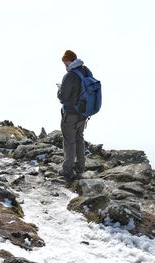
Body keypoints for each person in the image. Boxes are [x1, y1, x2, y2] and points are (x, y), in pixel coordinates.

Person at [57, 50, 91, 180]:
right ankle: (80, 167)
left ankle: (67, 170)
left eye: (65, 63)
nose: (64, 65)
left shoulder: (70, 76)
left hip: (70, 114)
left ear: (68, 61)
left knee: (69, 142)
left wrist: (59, 91)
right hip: (83, 114)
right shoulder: (85, 71)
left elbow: (63, 97)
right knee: (79, 139)